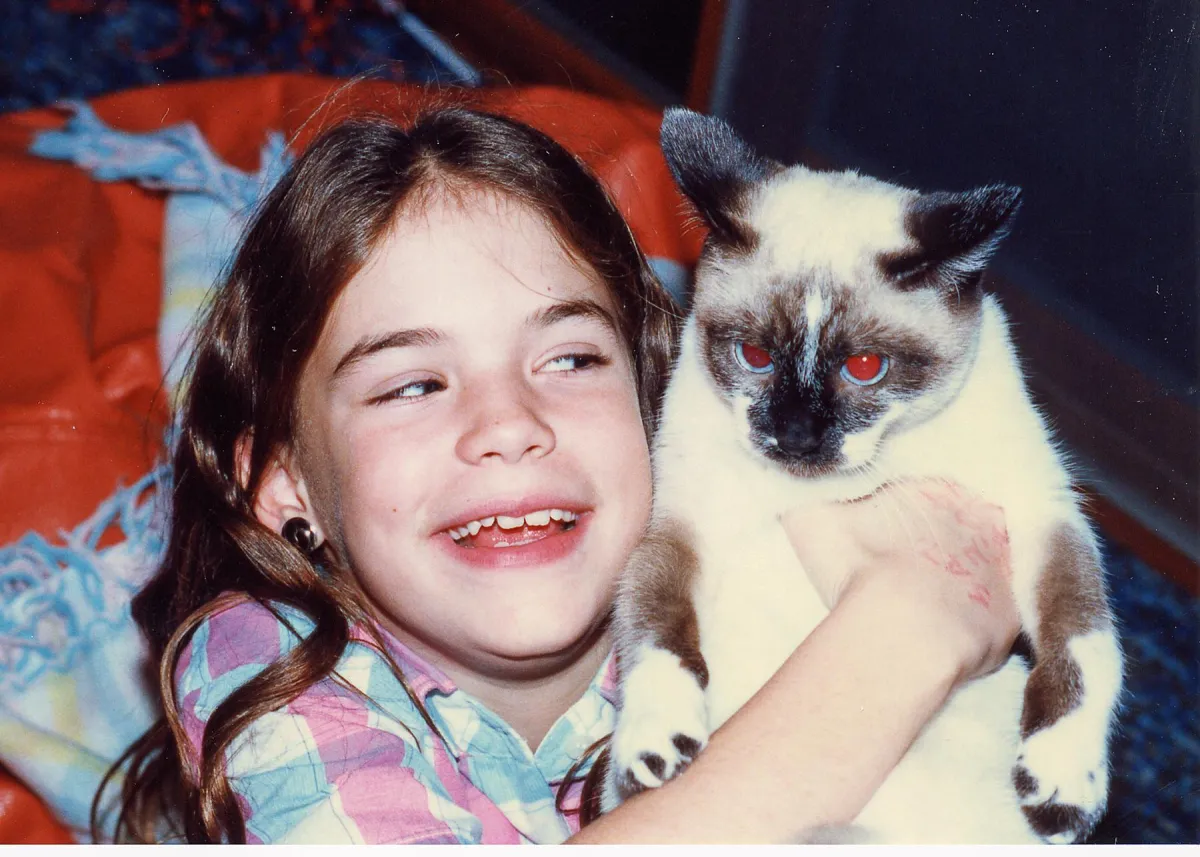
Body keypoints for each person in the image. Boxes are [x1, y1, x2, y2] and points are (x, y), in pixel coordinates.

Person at [98, 104, 1019, 844]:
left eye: (571, 360)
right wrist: (905, 632)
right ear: (285, 485)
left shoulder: (725, 535)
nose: (509, 426)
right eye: (413, 383)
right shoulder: (267, 666)